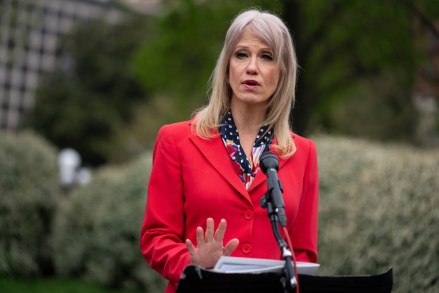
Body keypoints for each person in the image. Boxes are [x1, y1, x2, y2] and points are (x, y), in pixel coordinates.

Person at [140, 8, 319, 293]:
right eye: (241, 54)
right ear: (227, 66)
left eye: (266, 57)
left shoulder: (303, 153)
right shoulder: (176, 140)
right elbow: (155, 237)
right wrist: (192, 263)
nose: (252, 67)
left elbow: (303, 253)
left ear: (282, 72)